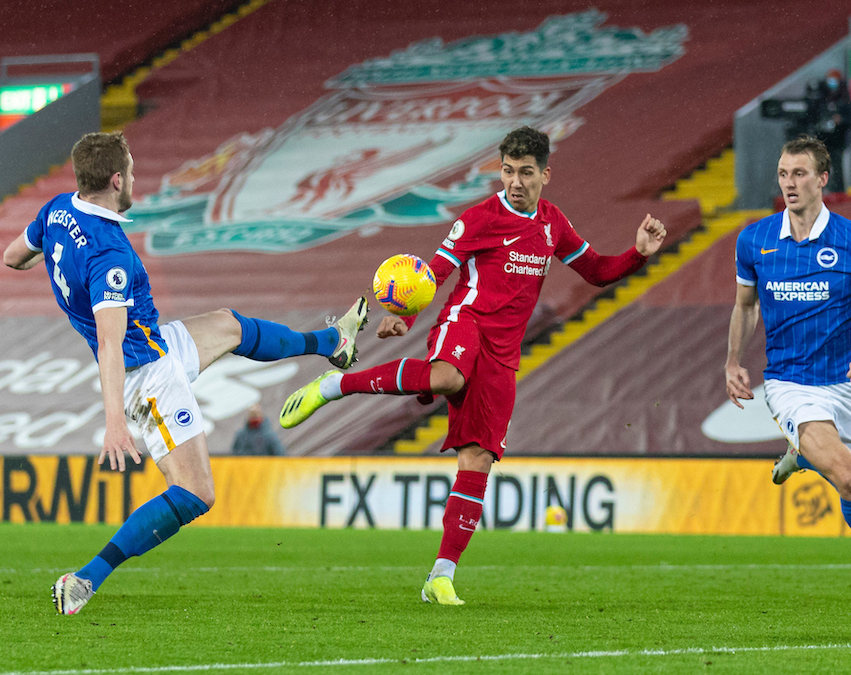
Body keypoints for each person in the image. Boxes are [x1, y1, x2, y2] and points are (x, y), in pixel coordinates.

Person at [279, 126, 667, 605]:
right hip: (467, 324)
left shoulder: (553, 223)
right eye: (508, 171)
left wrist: (639, 255)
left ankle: (440, 576)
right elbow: (434, 274)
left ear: (546, 174)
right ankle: (337, 384)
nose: (515, 182)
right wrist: (404, 317)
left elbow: (597, 271)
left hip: (504, 355)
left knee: (477, 461)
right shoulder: (479, 218)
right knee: (446, 376)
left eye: (526, 173)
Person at [2, 131, 369, 615]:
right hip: (145, 372)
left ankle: (332, 344)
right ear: (116, 179)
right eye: (130, 171)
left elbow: (12, 257)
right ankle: (84, 580)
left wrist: (58, 268)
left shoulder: (55, 210)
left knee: (229, 325)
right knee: (197, 492)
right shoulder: (109, 253)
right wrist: (115, 422)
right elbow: (110, 345)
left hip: (155, 341)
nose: (133, 177)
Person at [724, 135, 851, 606]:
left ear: (822, 178)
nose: (789, 183)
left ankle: (804, 455)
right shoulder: (754, 240)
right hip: (790, 385)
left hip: (844, 386)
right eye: (782, 173)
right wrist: (733, 362)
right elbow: (744, 306)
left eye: (799, 174)